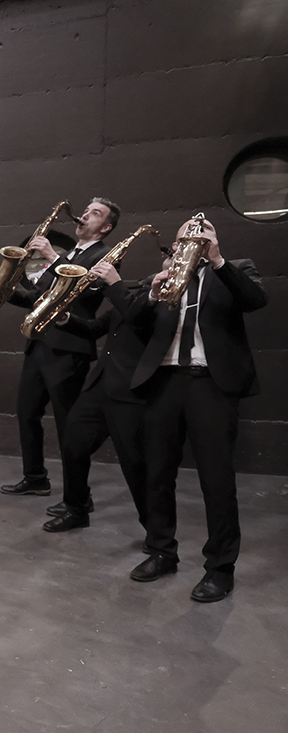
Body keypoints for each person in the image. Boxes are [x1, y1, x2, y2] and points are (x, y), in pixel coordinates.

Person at [126, 217, 267, 602]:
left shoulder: (235, 269)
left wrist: (218, 259)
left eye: (199, 235)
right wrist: (152, 295)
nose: (190, 240)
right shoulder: (164, 276)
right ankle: (161, 551)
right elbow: (134, 322)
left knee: (216, 479)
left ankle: (220, 567)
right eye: (183, 236)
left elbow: (256, 301)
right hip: (164, 380)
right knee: (157, 472)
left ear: (212, 240)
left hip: (211, 384)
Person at [0, 197, 120, 497]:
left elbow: (86, 290)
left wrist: (53, 255)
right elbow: (36, 297)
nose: (84, 216)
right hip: (39, 343)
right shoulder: (69, 255)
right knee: (26, 413)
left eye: (94, 214)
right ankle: (35, 477)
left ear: (105, 227)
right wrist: (5, 289)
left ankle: (77, 495)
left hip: (69, 348)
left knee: (69, 424)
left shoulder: (106, 256)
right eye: (86, 211)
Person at [41, 261, 153, 533]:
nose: (169, 256)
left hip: (130, 390)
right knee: (73, 444)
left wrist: (115, 283)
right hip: (100, 384)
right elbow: (95, 327)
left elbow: (139, 317)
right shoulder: (135, 293)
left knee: (135, 463)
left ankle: (156, 533)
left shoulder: (160, 298)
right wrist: (65, 319)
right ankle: (76, 508)